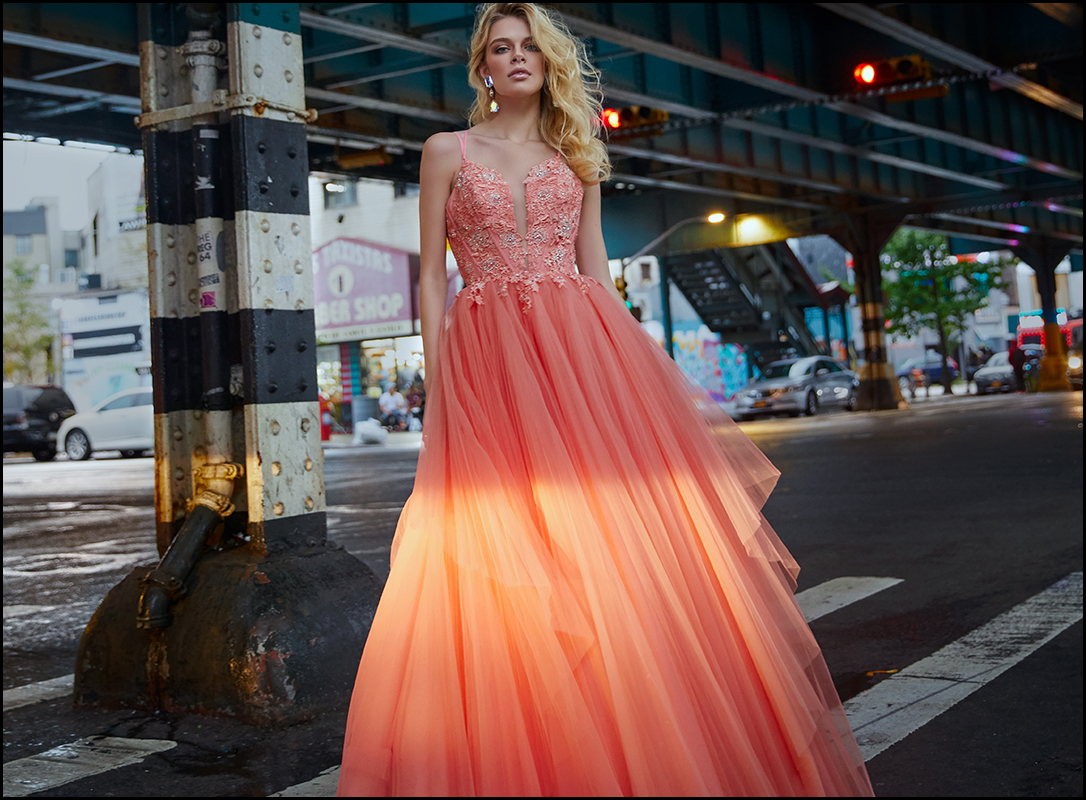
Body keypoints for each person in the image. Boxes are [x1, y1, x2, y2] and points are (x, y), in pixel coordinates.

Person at [337, 4, 873, 796]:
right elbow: (428, 276)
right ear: (482, 66)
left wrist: (634, 388)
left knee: (607, 542)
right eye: (499, 48)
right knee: (502, 539)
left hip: (582, 358)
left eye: (529, 47)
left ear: (548, 62)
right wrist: (438, 381)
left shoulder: (577, 155)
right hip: (488, 360)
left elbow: (597, 277)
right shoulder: (444, 151)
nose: (515, 58)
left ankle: (636, 725)